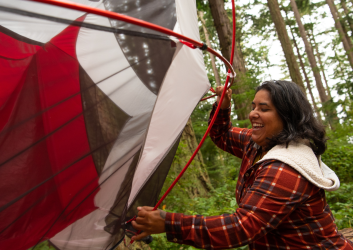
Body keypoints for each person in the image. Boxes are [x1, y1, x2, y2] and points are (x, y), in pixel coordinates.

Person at [132, 80, 353, 249]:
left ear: (287, 116)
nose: (252, 113)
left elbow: (241, 227)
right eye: (253, 106)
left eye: (264, 109)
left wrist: (168, 222)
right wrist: (223, 106)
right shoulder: (258, 143)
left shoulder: (286, 167)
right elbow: (222, 135)